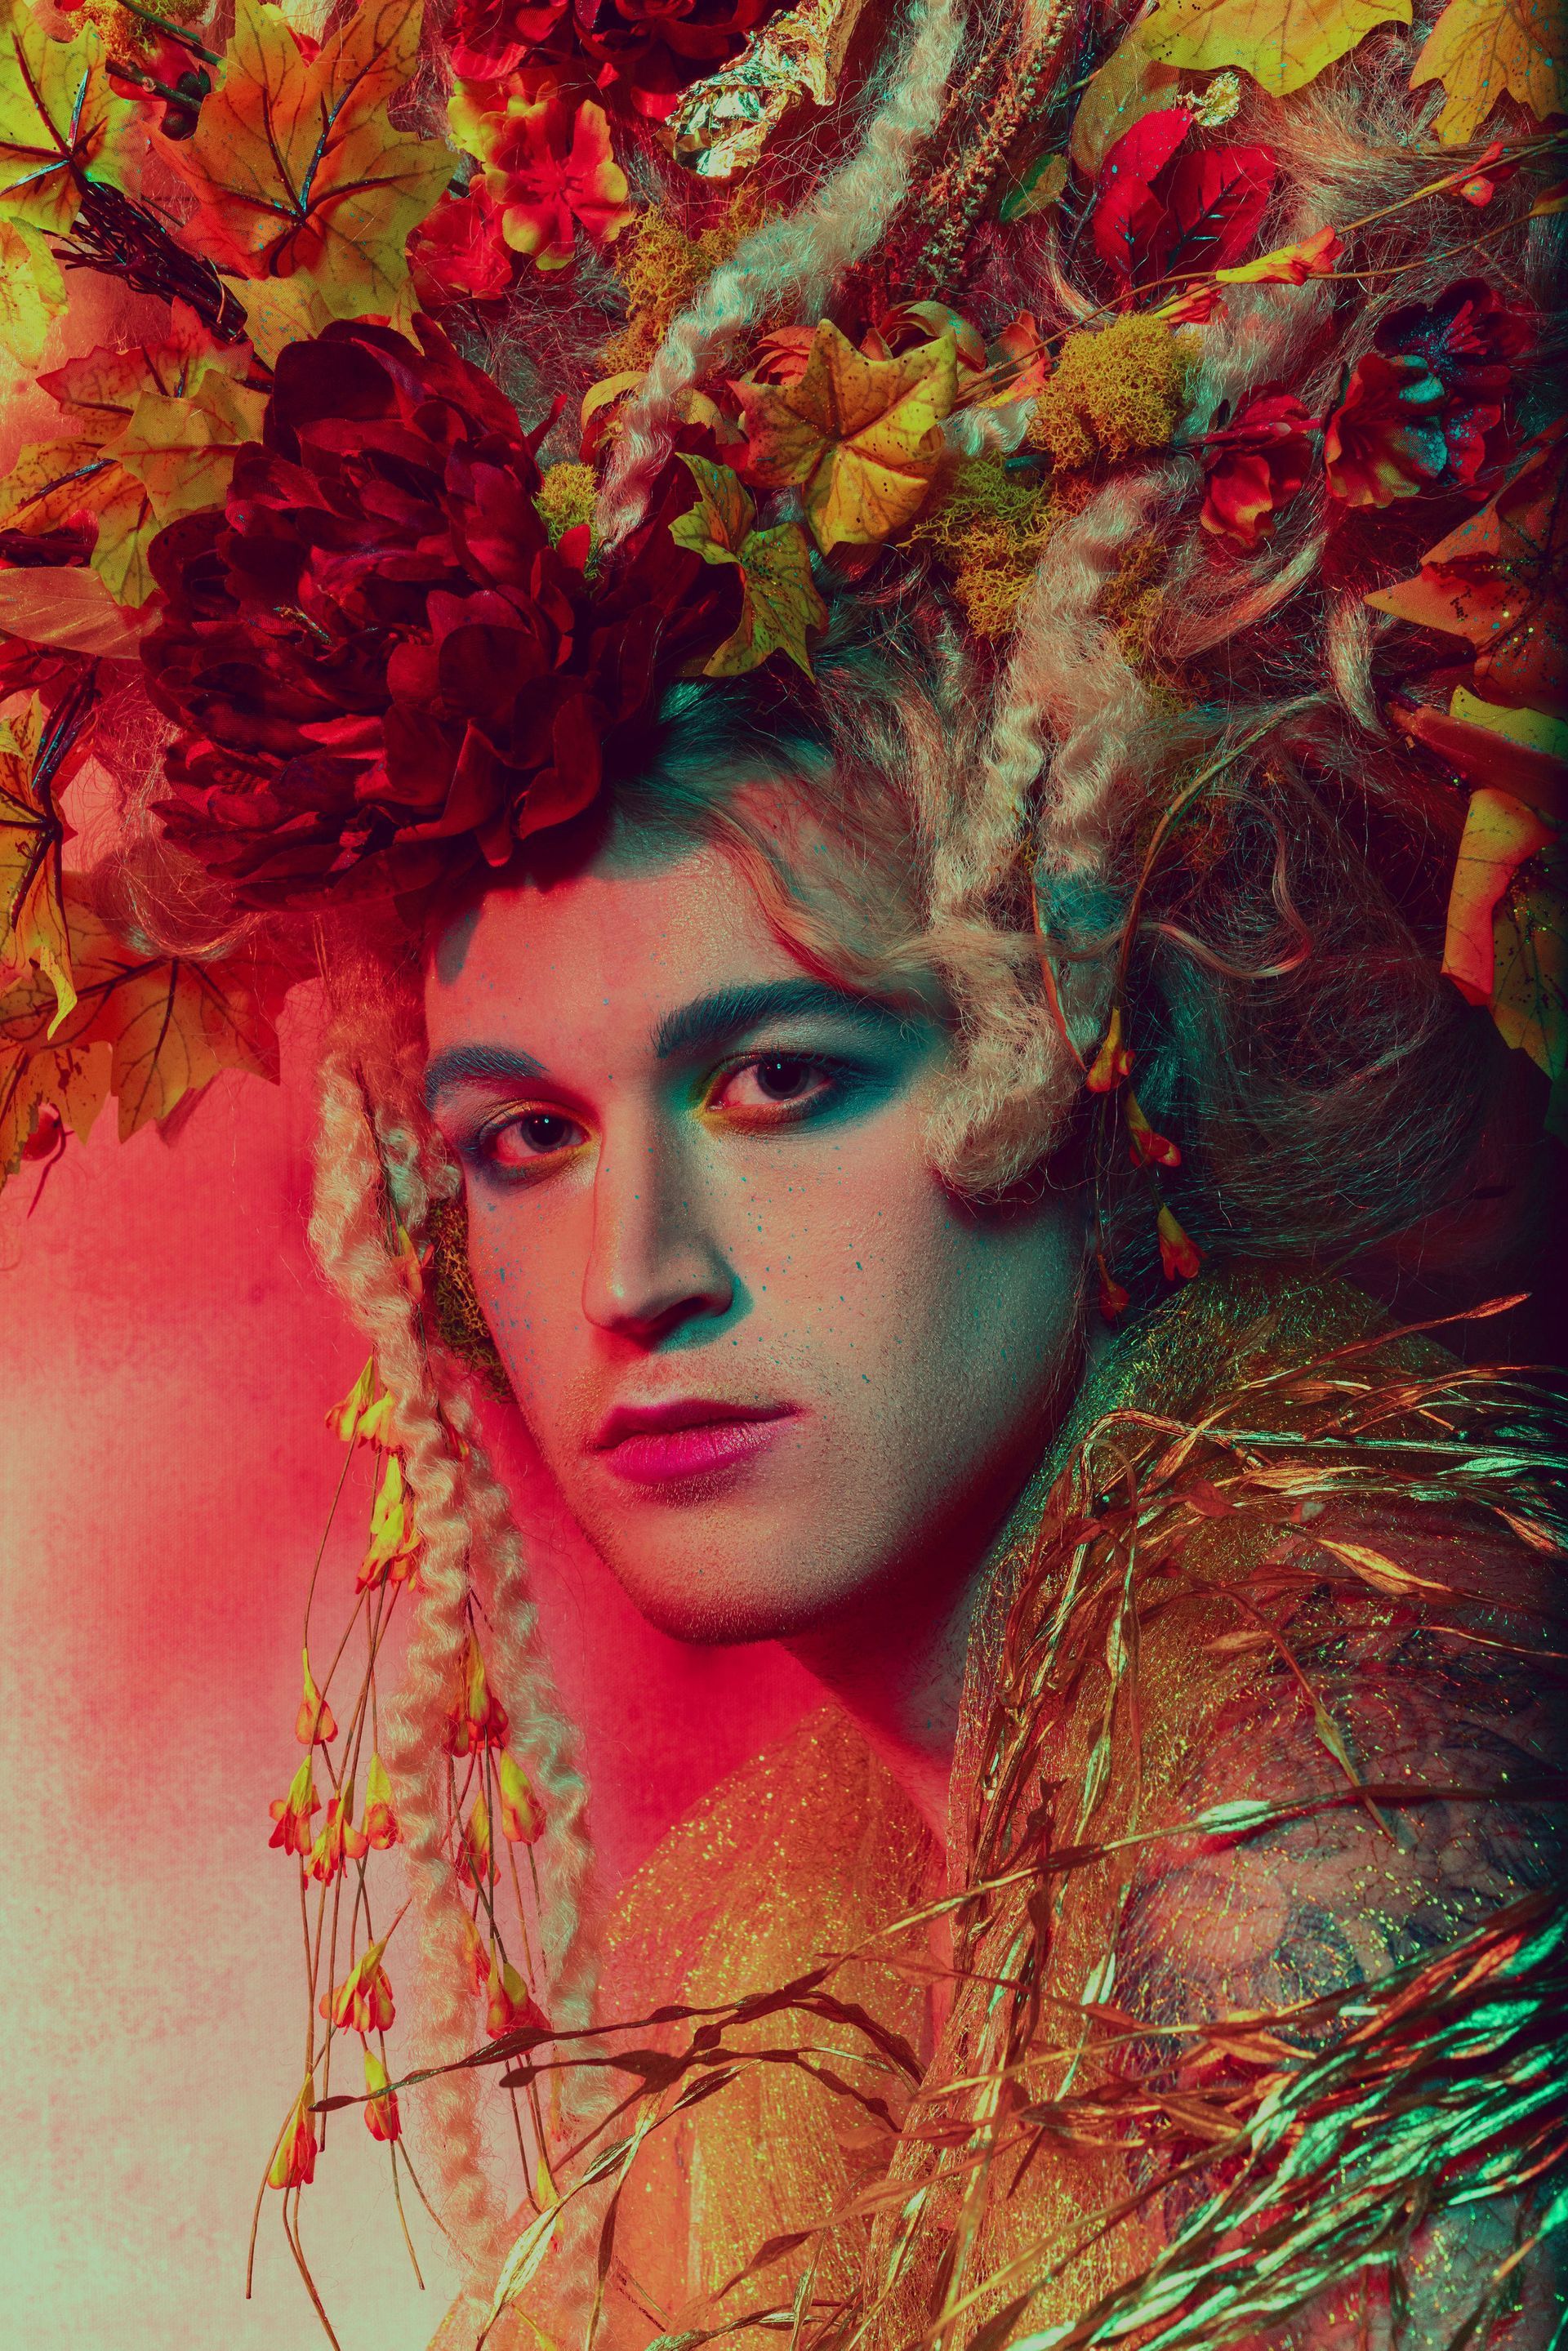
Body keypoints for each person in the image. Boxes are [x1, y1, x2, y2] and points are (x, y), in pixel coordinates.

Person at [0, 0, 1562, 2341]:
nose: (637, 1277)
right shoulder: (863, 1925)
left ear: (1100, 1040)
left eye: (778, 1080)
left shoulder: (1348, 1767)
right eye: (522, 1139)